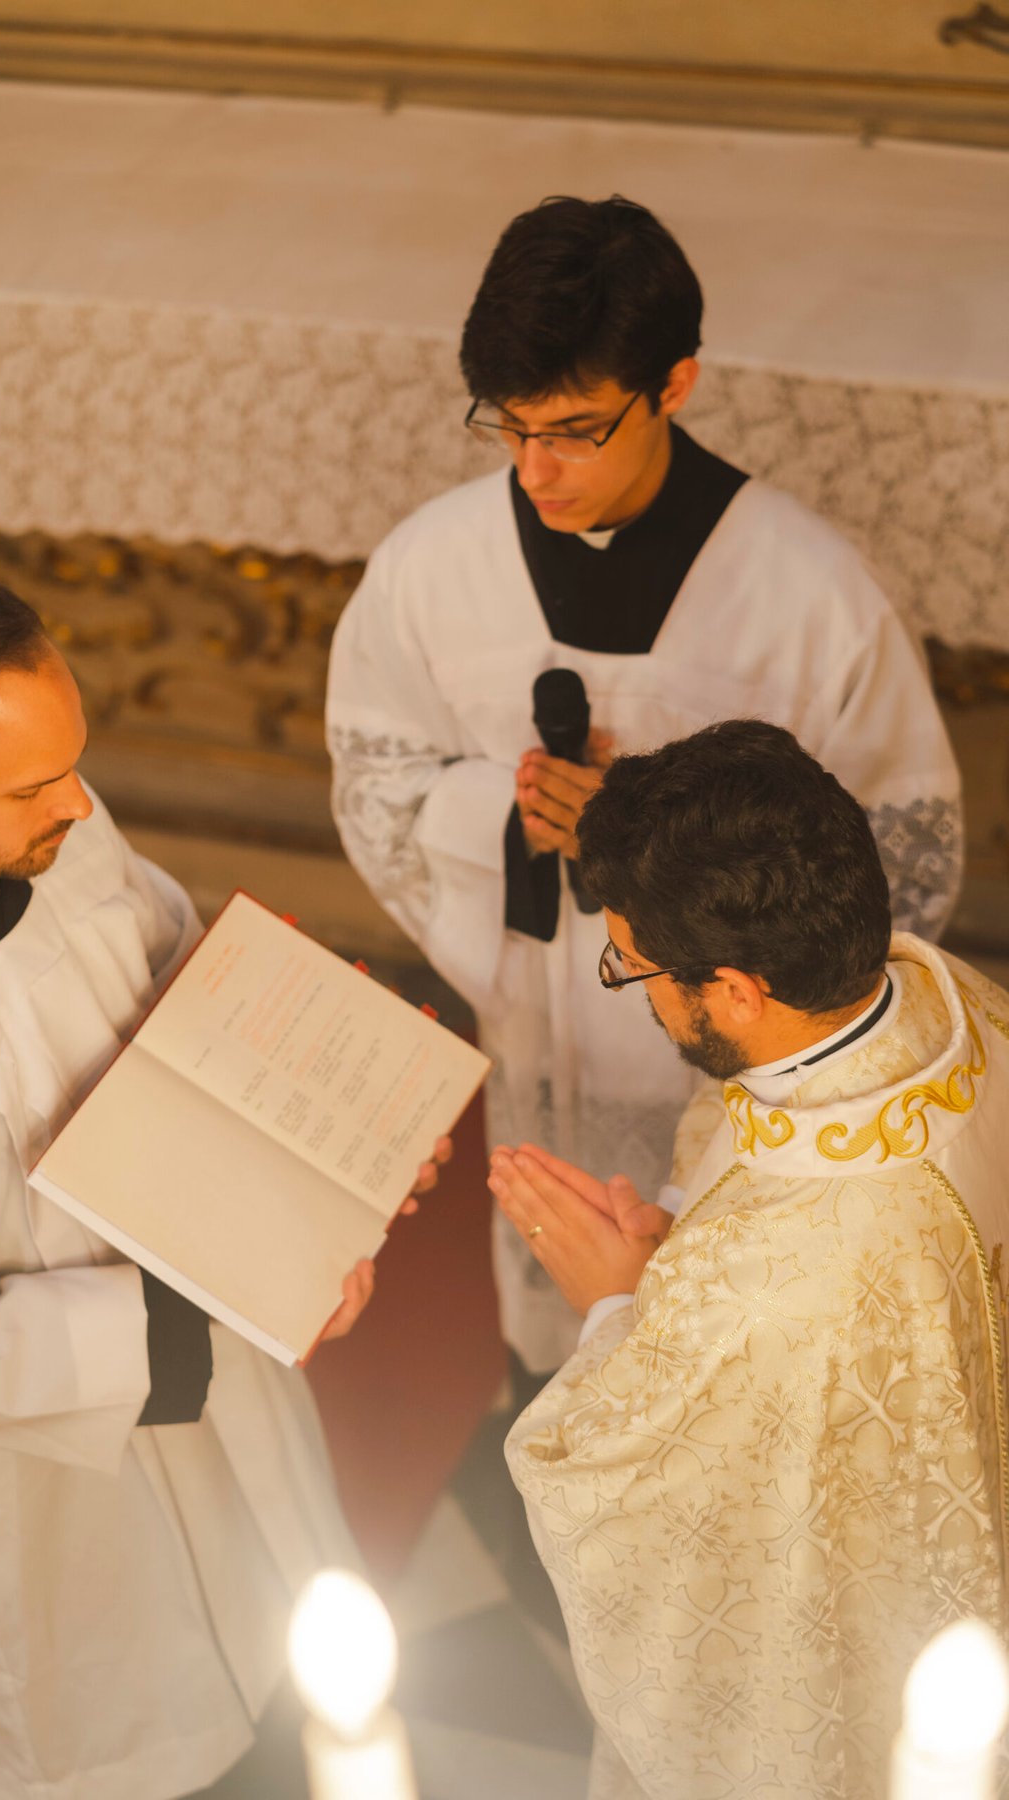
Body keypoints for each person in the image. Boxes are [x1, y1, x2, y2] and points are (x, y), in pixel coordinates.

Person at [0, 568, 444, 1800]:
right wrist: (223, 1296)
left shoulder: (58, 820)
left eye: (76, 761)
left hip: (217, 1378)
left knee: (287, 1682)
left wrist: (335, 1119)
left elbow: (172, 954)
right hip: (51, 1492)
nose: (82, 803)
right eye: (37, 785)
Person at [326, 193, 963, 1385]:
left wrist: (668, 846)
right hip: (540, 1033)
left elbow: (901, 856)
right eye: (507, 428)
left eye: (573, 428)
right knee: (556, 1347)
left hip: (732, 1068)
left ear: (675, 384)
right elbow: (376, 782)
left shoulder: (809, 591)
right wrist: (507, 820)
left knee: (711, 1364)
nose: (536, 470)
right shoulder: (432, 567)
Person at [489, 719, 1007, 1800]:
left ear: (734, 991)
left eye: (631, 965)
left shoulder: (779, 1277)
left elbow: (637, 1491)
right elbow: (747, 1136)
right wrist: (678, 1227)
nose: (632, 981)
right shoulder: (942, 999)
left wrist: (613, 1310)